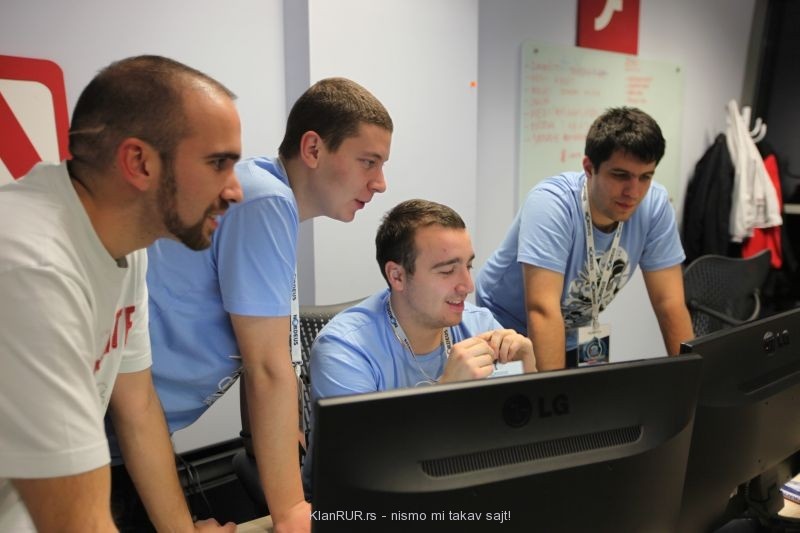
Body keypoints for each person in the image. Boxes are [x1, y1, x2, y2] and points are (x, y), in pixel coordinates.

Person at [107, 77, 393, 532]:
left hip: (132, 438)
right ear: (313, 149)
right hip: (105, 436)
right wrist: (292, 510)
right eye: (368, 162)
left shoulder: (264, 194)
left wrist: (270, 442)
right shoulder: (266, 201)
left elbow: (257, 350)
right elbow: (266, 367)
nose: (379, 183)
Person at [0, 55, 243, 532]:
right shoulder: (32, 267)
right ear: (138, 162)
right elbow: (78, 524)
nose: (235, 190)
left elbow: (138, 409)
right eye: (218, 163)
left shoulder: (126, 247)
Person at [301, 199, 537, 497]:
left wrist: (528, 370)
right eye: (447, 271)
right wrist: (445, 393)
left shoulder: (480, 324)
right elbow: (363, 472)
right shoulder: (344, 348)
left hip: (459, 491)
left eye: (468, 266)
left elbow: (514, 439)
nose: (467, 285)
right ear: (397, 276)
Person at [475, 106, 694, 371]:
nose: (633, 192)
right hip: (505, 328)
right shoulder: (551, 204)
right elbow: (543, 310)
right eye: (620, 175)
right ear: (589, 168)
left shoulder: (655, 206)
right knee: (545, 395)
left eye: (645, 177)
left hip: (571, 329)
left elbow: (669, 303)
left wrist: (693, 382)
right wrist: (555, 394)